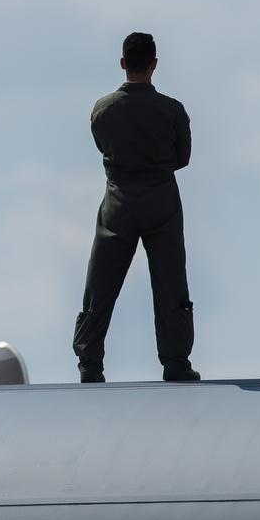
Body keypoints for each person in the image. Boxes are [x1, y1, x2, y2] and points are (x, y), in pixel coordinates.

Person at [72, 32, 200, 384]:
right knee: (170, 281)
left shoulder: (103, 109)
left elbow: (103, 145)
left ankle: (90, 363)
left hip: (118, 203)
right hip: (162, 201)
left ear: (123, 63)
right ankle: (175, 362)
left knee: (101, 282)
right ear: (154, 65)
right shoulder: (172, 110)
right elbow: (182, 158)